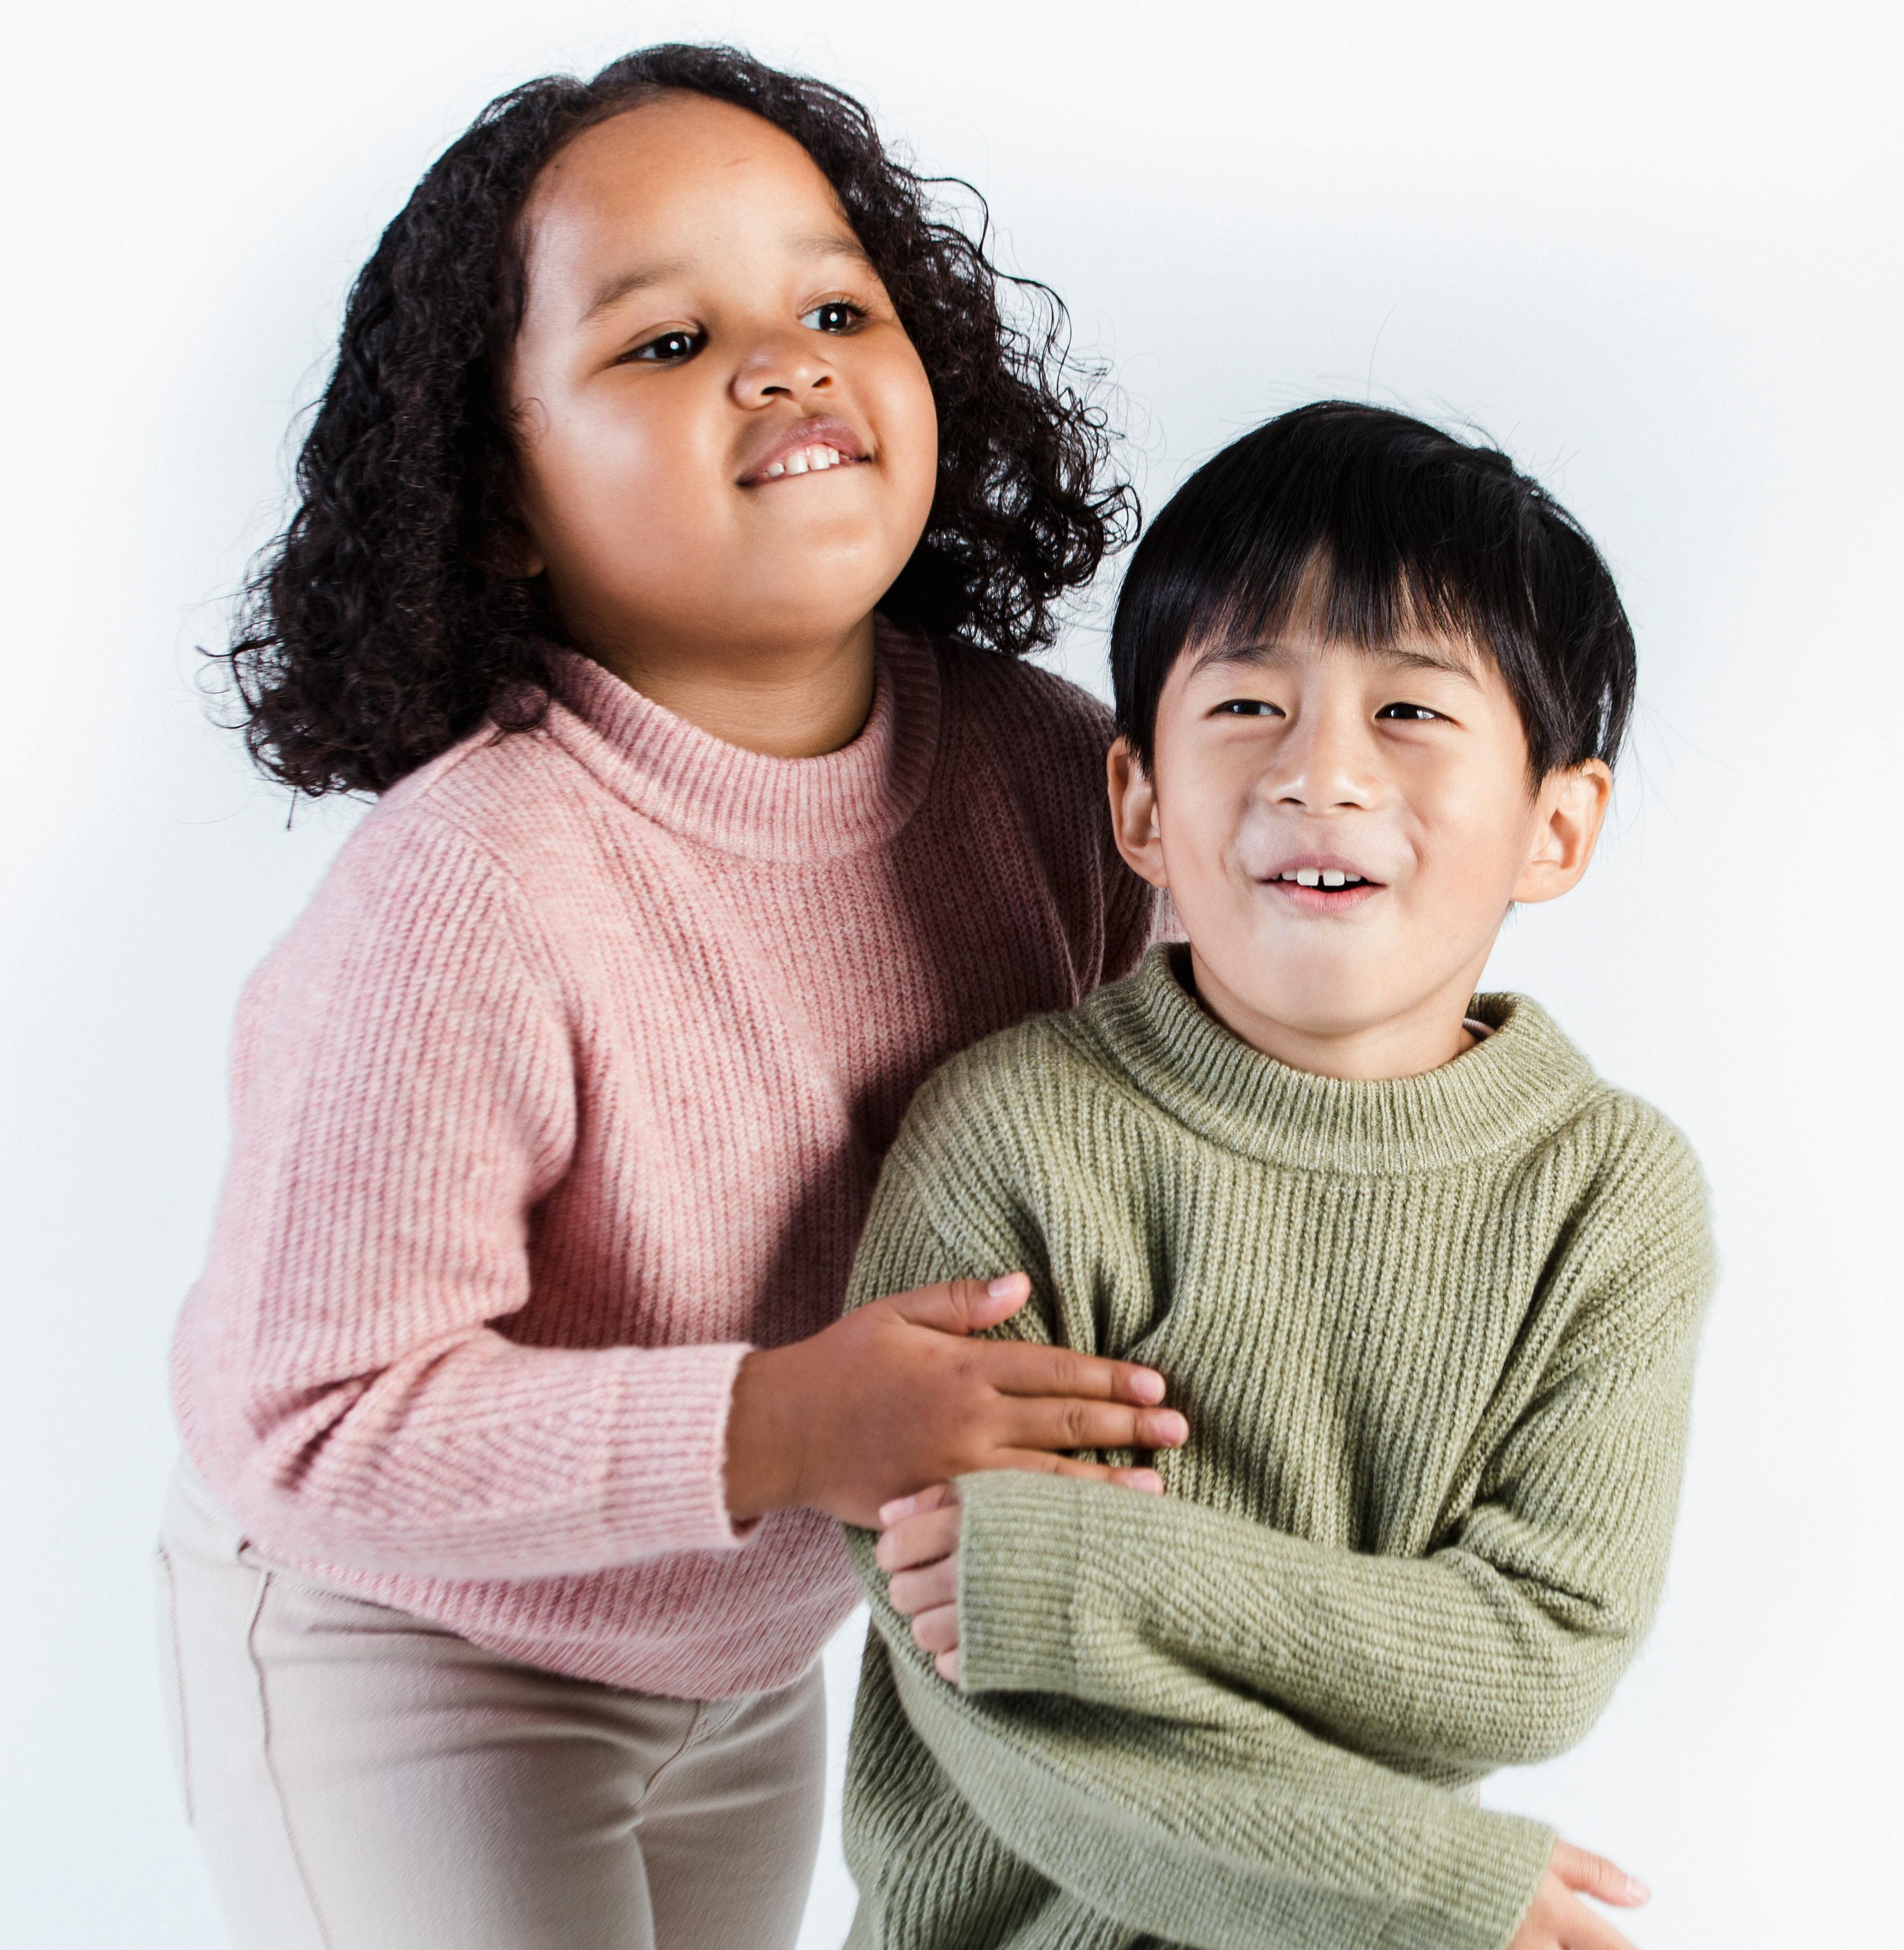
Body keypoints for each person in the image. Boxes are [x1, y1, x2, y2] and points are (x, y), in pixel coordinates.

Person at [156, 44, 1190, 1950]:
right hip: (421, 1649)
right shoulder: (469, 887)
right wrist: (787, 1429)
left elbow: (1216, 1089)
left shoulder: (1054, 778)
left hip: (749, 1648)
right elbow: (306, 1422)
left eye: (831, 305)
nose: (784, 362)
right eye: (660, 343)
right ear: (499, 506)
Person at [845, 402, 1716, 1950]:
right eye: (1247, 702)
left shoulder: (1607, 1197)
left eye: (1411, 712)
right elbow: (983, 1689)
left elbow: (1537, 1644)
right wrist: (1416, 1885)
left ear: (1557, 825)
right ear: (1138, 805)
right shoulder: (1012, 1139)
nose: (1321, 771)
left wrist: (1093, 1573)